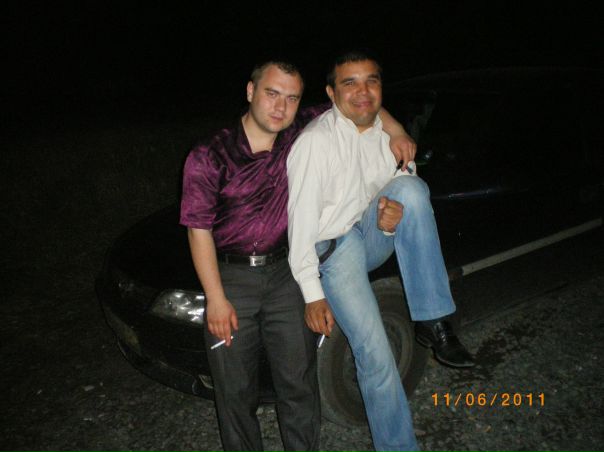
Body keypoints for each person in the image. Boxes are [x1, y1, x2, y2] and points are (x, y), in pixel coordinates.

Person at [180, 60, 416, 452]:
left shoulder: (298, 135)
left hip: (285, 275)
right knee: (235, 391)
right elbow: (197, 229)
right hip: (232, 281)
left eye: (291, 98)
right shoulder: (210, 154)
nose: (281, 106)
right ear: (251, 91)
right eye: (272, 93)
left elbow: (360, 102)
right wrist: (216, 298)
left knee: (299, 383)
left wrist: (397, 130)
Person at [287, 50, 475, 452]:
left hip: (369, 234)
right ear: (331, 93)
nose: (363, 91)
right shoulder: (315, 143)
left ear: (381, 87)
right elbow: (299, 227)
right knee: (375, 354)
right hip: (335, 249)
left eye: (371, 80)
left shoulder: (390, 139)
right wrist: (312, 293)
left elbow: (405, 193)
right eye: (350, 83)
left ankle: (433, 320)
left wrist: (392, 219)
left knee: (412, 188)